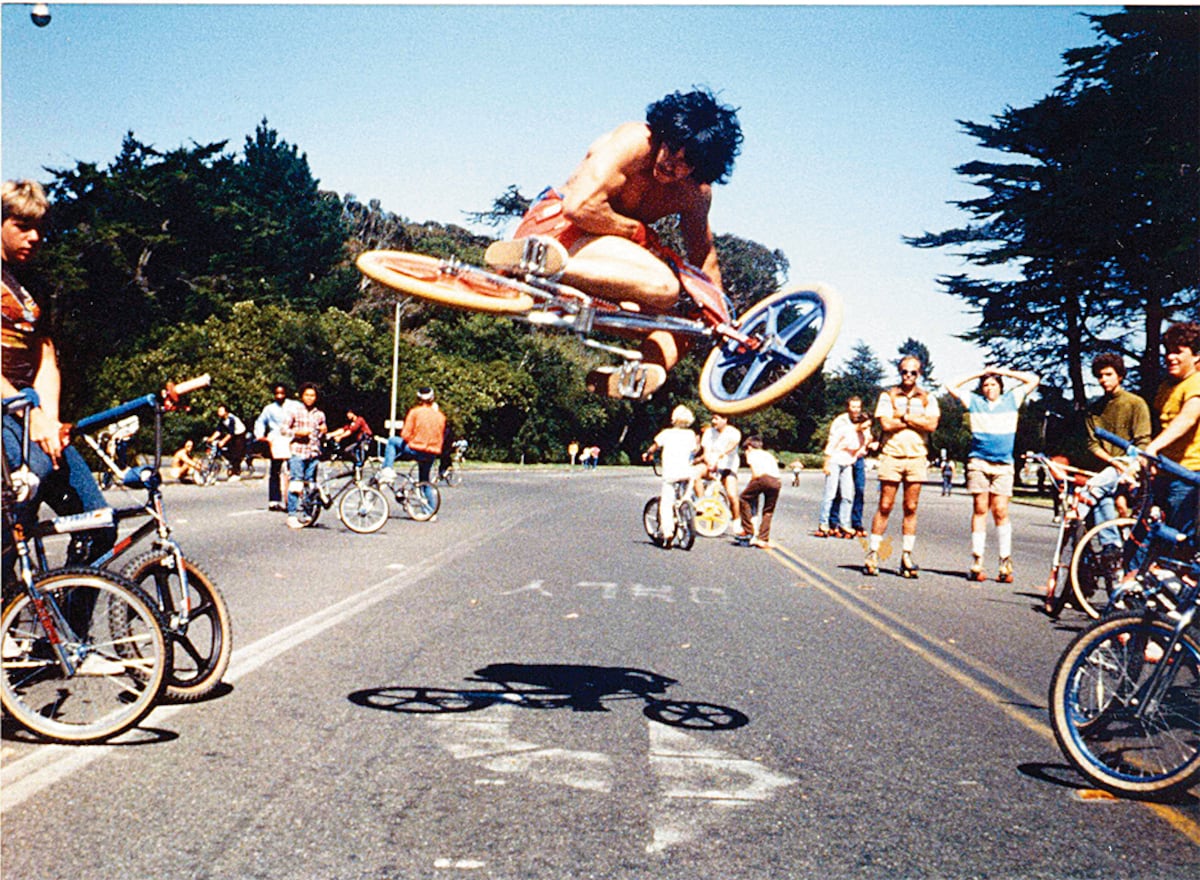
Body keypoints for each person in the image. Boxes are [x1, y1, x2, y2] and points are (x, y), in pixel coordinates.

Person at [485, 88, 743, 400]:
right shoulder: (636, 141)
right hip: (556, 231)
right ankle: (536, 263)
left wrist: (721, 318)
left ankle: (638, 373)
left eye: (687, 161)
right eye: (673, 147)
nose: (672, 162)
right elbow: (579, 207)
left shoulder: (695, 193)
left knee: (688, 318)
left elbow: (704, 259)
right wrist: (637, 233)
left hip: (599, 259)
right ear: (664, 133)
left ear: (701, 167)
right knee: (663, 286)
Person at [2, 179, 115, 576]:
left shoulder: (35, 282)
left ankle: (65, 633)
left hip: (32, 412)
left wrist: (49, 417)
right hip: (7, 414)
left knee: (100, 523)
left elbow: (45, 354)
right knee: (9, 534)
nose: (35, 237)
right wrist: (31, 417)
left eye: (40, 228)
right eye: (22, 225)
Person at [946, 366, 1040, 583]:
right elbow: (950, 385)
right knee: (980, 508)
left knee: (1000, 510)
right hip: (979, 462)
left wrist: (1002, 371)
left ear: (1000, 386)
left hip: (1004, 464)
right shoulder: (975, 402)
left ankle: (1004, 560)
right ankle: (977, 560)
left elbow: (1032, 379)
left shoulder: (1011, 399)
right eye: (986, 385)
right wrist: (979, 373)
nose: (989, 389)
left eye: (993, 384)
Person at [1129, 322, 1200, 570]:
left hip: (1189, 475)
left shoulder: (1197, 383)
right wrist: (1151, 458)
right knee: (1145, 531)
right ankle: (1133, 589)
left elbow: (1188, 419)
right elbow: (1162, 426)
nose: (1170, 357)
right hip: (1166, 471)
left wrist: (1153, 448)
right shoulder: (1166, 387)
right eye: (1168, 350)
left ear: (1196, 355)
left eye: (1179, 351)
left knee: (1175, 541)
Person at [864, 356, 941, 578]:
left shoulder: (928, 397)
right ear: (900, 372)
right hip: (892, 454)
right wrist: (916, 420)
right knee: (885, 505)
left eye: (913, 372)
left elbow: (932, 424)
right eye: (905, 372)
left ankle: (907, 554)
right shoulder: (888, 395)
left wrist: (904, 416)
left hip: (916, 455)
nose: (908, 376)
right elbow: (886, 423)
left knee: (911, 506)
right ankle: (873, 552)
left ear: (920, 374)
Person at [1081, 352, 1152, 554]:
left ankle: (1078, 516)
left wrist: (1127, 466)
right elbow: (1092, 444)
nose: (1104, 380)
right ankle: (1111, 546)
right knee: (1102, 498)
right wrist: (1112, 461)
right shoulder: (1094, 409)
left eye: (1109, 374)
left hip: (1130, 466)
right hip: (1108, 467)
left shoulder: (1135, 403)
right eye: (1100, 376)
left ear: (1120, 375)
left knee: (1092, 492)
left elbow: (1143, 442)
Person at [641, 404, 702, 544]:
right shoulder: (690, 434)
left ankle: (668, 533)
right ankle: (686, 510)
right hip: (686, 472)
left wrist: (648, 453)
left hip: (671, 472)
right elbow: (694, 450)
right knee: (684, 497)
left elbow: (654, 446)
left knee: (667, 503)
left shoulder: (666, 433)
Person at [379, 387, 446, 510]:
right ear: (432, 399)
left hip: (416, 449)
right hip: (431, 453)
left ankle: (387, 469)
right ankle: (429, 511)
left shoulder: (415, 412)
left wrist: (411, 440)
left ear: (419, 399)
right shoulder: (440, 416)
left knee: (392, 441)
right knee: (424, 480)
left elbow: (405, 434)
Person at [816, 396, 871, 538]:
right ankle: (824, 523)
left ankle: (845, 524)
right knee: (831, 493)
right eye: (866, 425)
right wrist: (826, 463)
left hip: (847, 464)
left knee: (847, 496)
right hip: (835, 461)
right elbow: (831, 445)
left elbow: (859, 452)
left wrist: (869, 444)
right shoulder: (844, 428)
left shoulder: (863, 436)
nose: (867, 428)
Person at [283, 383, 327, 529]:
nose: (309, 398)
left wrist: (323, 431)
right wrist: (297, 433)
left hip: (313, 453)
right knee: (296, 483)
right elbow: (283, 429)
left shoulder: (319, 414)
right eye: (307, 395)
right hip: (298, 451)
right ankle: (292, 515)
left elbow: (321, 434)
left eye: (312, 395)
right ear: (302, 396)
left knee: (311, 484)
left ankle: (309, 514)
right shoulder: (294, 411)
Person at [254, 383, 300, 511]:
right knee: (275, 470)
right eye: (277, 394)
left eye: (282, 393)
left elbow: (302, 418)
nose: (279, 396)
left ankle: (290, 501)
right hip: (276, 440)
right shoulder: (269, 409)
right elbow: (260, 421)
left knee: (292, 471)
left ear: (286, 394)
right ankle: (274, 500)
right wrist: (260, 435)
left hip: (291, 439)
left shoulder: (295, 405)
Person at [736, 436, 782, 549]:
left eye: (746, 448)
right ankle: (763, 538)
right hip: (776, 481)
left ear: (750, 447)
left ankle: (748, 529)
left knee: (743, 498)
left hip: (763, 478)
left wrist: (751, 485)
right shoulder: (768, 454)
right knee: (768, 510)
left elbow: (755, 473)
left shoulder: (751, 454)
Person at [699, 412, 741, 524]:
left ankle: (737, 522)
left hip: (728, 467)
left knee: (732, 495)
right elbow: (706, 451)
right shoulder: (708, 433)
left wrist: (720, 455)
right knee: (695, 474)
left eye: (716, 419)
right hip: (712, 466)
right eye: (712, 418)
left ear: (725, 419)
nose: (713, 421)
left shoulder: (734, 432)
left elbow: (732, 445)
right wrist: (709, 463)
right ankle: (702, 503)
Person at [205, 403, 248, 479]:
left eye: (221, 411)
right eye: (218, 411)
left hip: (240, 434)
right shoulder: (222, 420)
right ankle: (230, 466)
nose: (219, 412)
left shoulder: (231, 419)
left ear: (226, 412)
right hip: (233, 435)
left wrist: (223, 441)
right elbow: (218, 431)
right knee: (226, 450)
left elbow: (231, 433)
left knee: (236, 452)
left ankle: (236, 473)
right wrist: (211, 439)